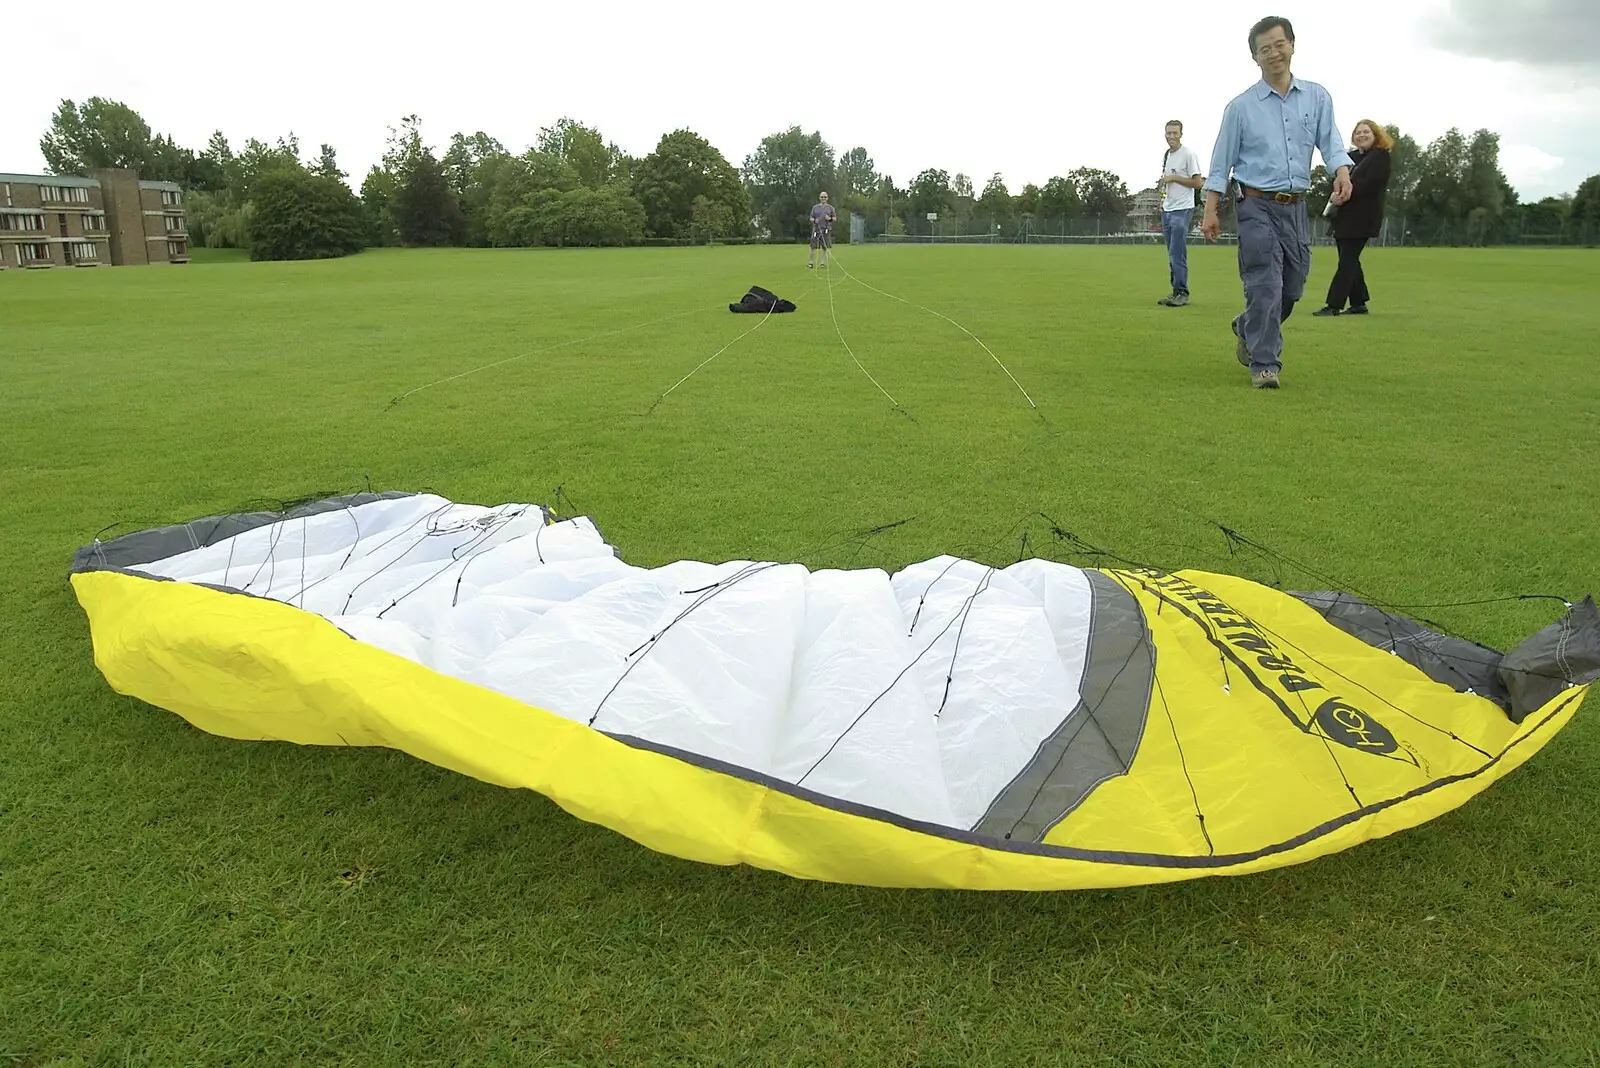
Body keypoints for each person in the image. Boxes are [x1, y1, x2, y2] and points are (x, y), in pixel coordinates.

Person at [1201, 15, 1353, 389]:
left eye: (1278, 44)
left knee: (1292, 288)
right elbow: (1221, 163)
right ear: (1255, 58)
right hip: (1255, 205)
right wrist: (1210, 210)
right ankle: (1264, 364)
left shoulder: (1317, 97)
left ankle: (1247, 325)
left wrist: (1342, 172)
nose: (1273, 53)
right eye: (1264, 49)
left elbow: (1331, 142)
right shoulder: (1240, 107)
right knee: (1264, 284)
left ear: (1292, 45)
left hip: (1296, 206)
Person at [1313, 120, 1394, 316]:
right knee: (1349, 259)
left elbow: (1372, 184)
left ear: (1375, 135)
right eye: (1358, 133)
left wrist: (1346, 193)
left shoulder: (1380, 157)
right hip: (1344, 217)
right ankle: (1359, 303)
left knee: (1347, 261)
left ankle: (1333, 305)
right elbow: (1337, 178)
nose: (1361, 135)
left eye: (1366, 132)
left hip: (1363, 218)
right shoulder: (1350, 158)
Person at [1156, 120, 1205, 307]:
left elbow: (1198, 183)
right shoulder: (1167, 155)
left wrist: (1174, 177)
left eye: (1175, 133)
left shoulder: (1188, 155)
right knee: (1171, 253)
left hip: (1182, 209)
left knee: (1177, 252)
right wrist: (1163, 199)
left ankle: (1182, 292)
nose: (1171, 136)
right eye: (1168, 133)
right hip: (1168, 209)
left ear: (1181, 134)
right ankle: (1176, 291)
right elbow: (1166, 181)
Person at [807, 191, 837, 268]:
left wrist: (829, 218)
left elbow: (834, 218)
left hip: (826, 230)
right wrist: (814, 220)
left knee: (825, 248)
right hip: (816, 230)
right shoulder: (815, 207)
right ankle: (811, 263)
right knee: (813, 247)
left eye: (825, 197)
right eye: (822, 197)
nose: (823, 198)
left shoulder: (831, 208)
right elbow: (811, 218)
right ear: (819, 198)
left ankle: (823, 263)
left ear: (827, 198)